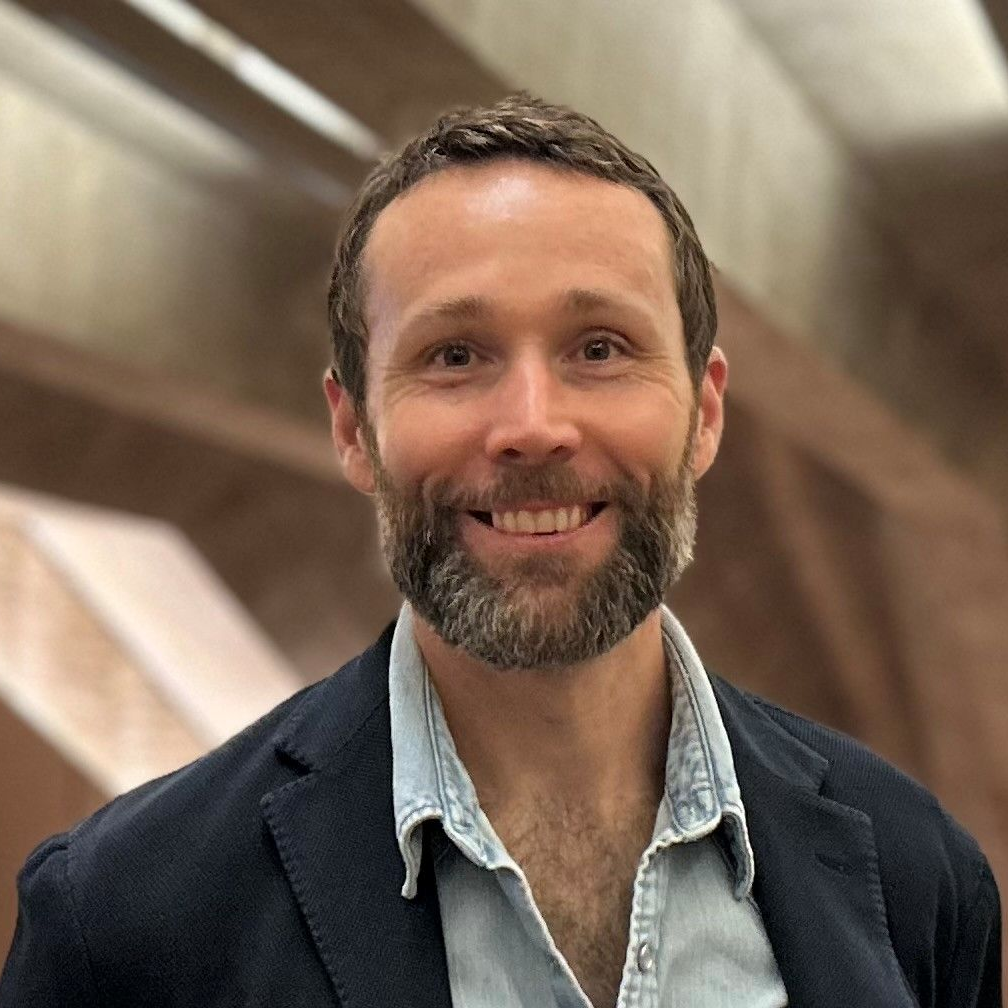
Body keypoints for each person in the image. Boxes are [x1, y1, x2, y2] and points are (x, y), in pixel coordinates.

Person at [1, 94, 1000, 1008]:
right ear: (353, 429)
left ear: (704, 411)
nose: (532, 425)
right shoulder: (127, 923)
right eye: (454, 356)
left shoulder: (916, 875)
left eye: (600, 348)